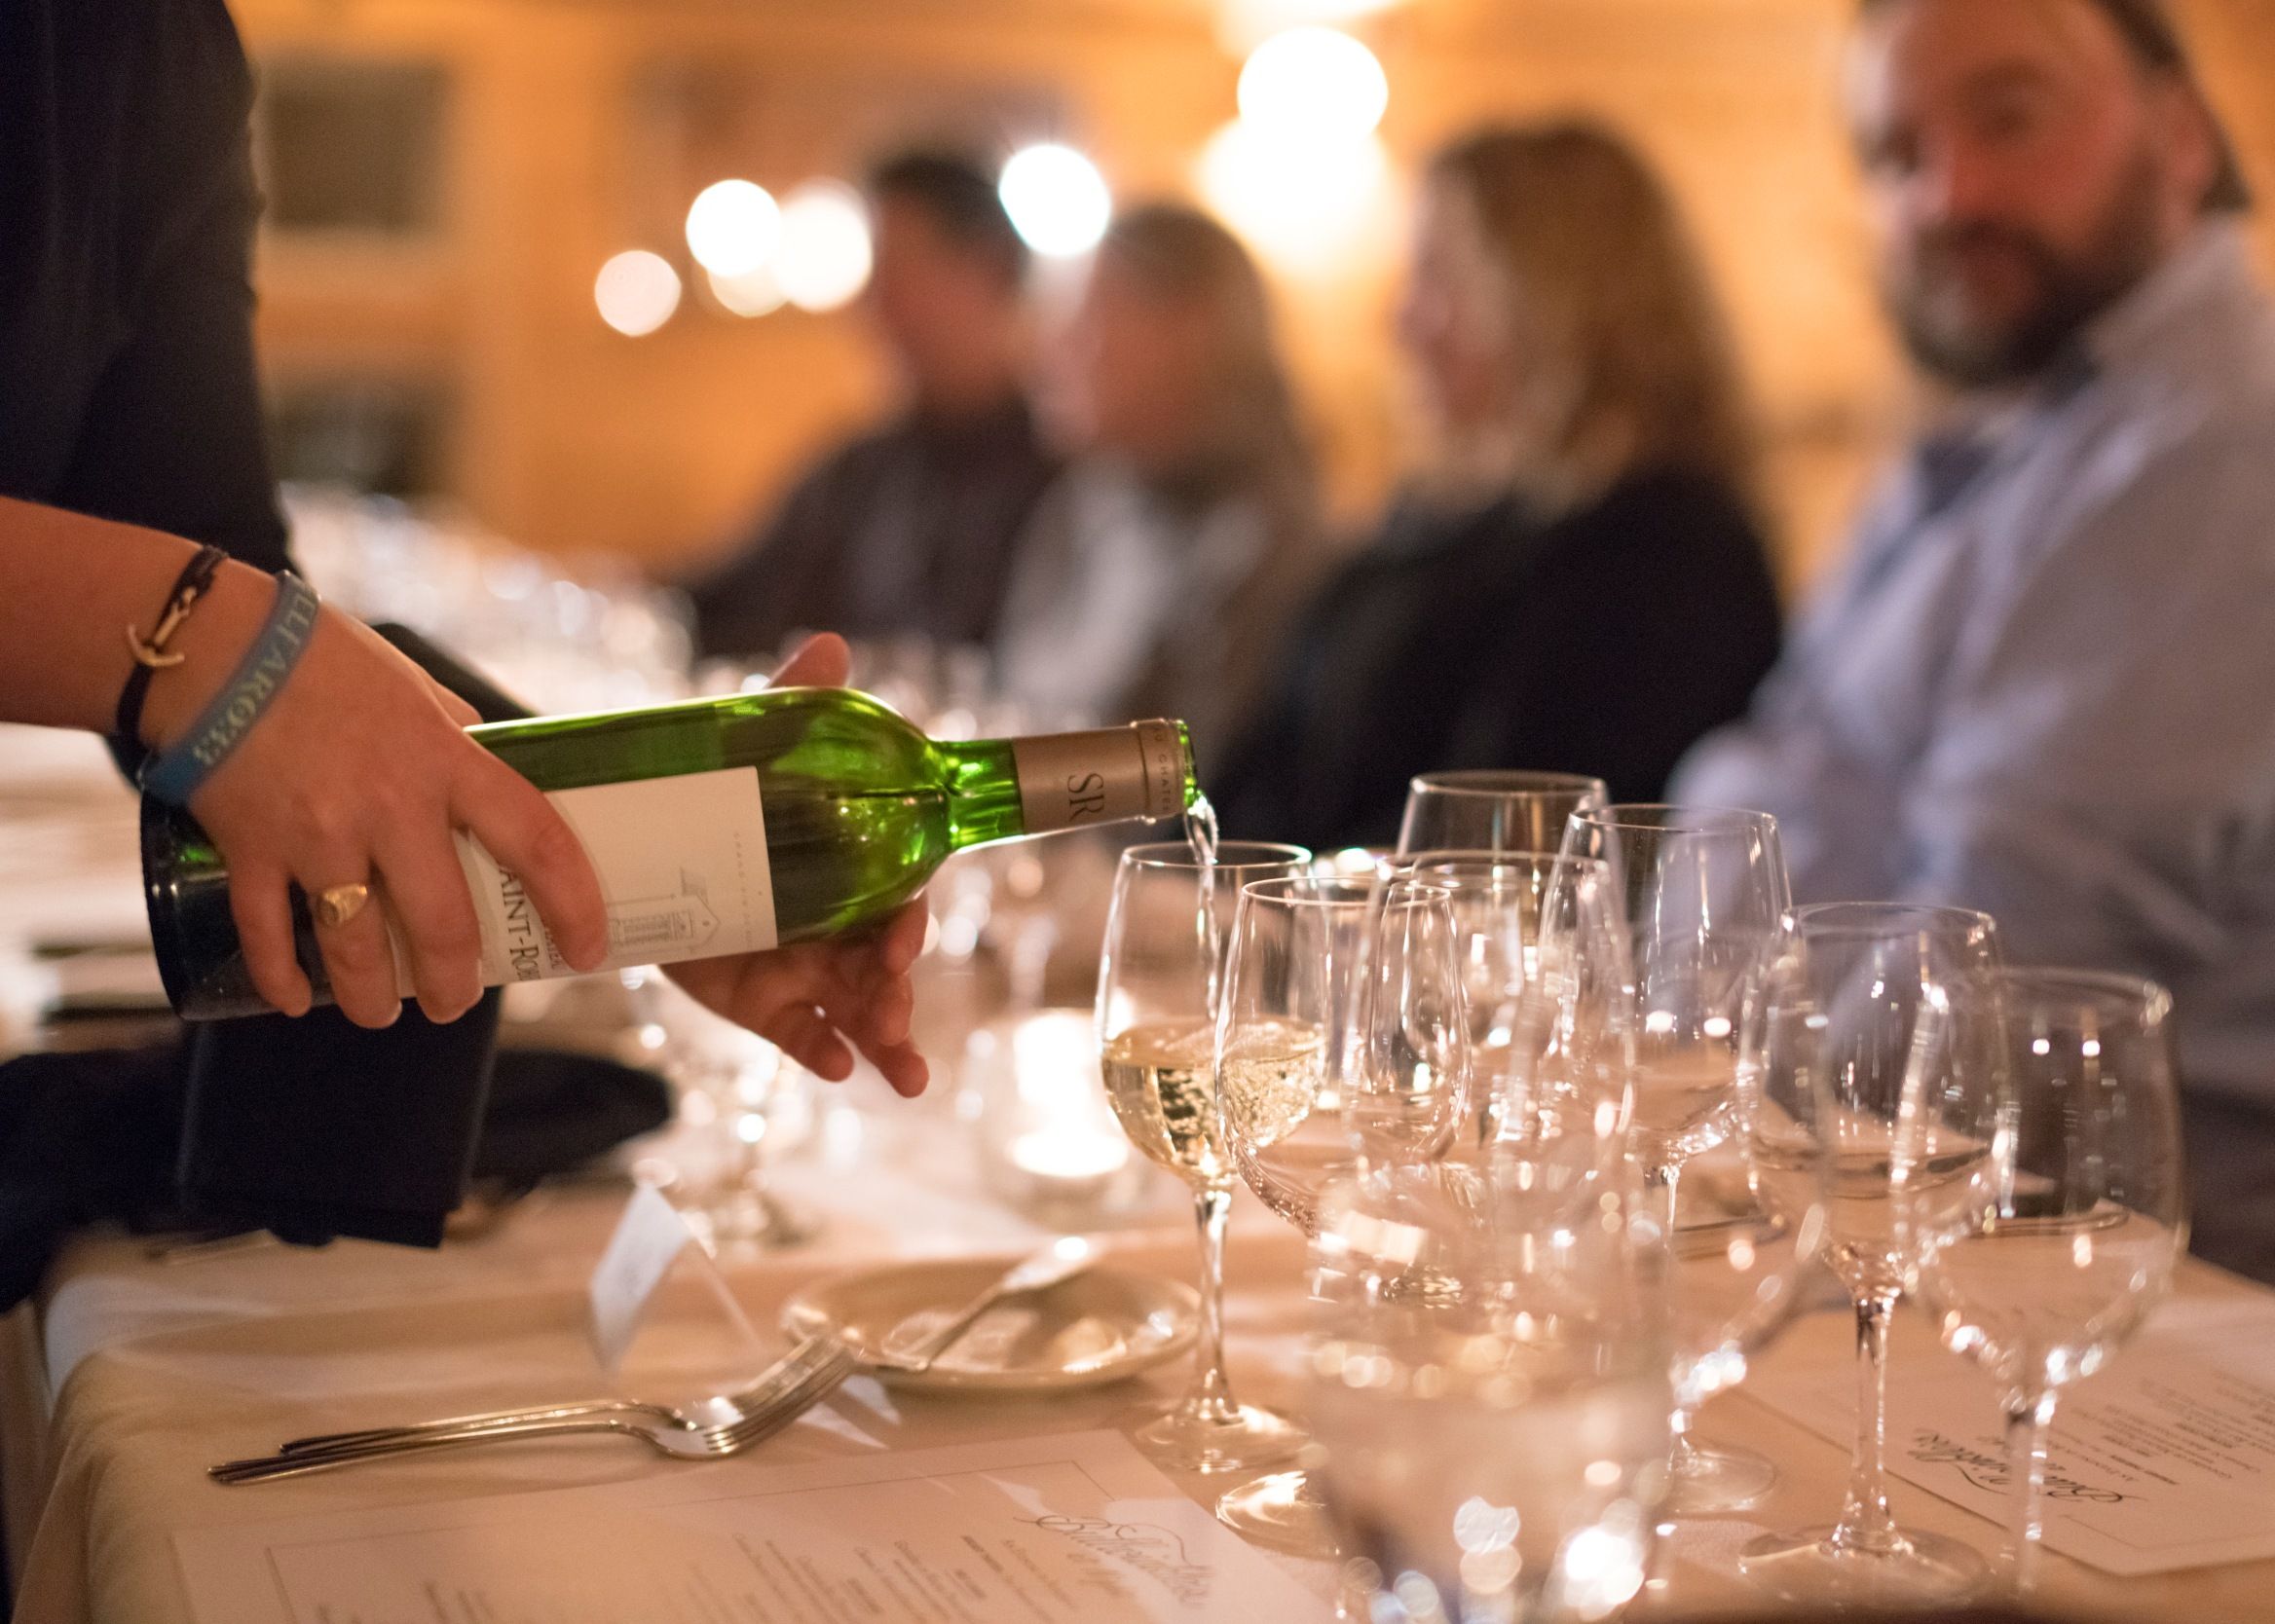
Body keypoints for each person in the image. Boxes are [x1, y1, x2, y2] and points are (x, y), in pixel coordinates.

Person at [0, 0, 924, 1095]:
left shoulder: (158, 46)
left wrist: (627, 857)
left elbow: (208, 564)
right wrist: (213, 638)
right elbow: (204, 631)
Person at [1673, 0, 2275, 1301]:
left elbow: (1998, 952)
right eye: (1897, 155)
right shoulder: (2010, 434)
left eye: (2010, 116)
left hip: (2118, 1296)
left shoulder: (2235, 441)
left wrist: (1676, 1175)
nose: (1949, 190)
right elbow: (1781, 777)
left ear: (2182, 135)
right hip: (1860, 1219)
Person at [1215, 121, 1782, 851]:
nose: (1401, 320)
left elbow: (1507, 839)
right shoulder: (1431, 522)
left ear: (1558, 293)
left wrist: (1268, 906)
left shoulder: (1668, 548)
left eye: (1439, 277)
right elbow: (1269, 760)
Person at [689, 149, 1061, 661]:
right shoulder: (860, 471)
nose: (872, 304)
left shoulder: (1071, 483)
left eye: (898, 269)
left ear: (987, 270)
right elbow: (724, 605)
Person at [994, 203, 1324, 776]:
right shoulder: (1081, 503)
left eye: (1091, 313)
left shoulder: (1271, 536)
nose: (1055, 346)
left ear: (1193, 331)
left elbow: (1201, 783)